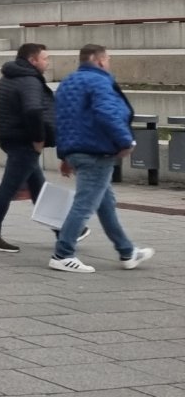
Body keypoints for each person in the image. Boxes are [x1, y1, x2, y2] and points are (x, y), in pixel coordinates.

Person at [49, 44, 154, 273]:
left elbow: (62, 121)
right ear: (99, 60)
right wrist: (126, 141)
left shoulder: (67, 83)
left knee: (105, 204)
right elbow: (108, 112)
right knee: (84, 205)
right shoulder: (99, 81)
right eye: (108, 59)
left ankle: (127, 251)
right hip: (96, 151)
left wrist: (65, 155)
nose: (108, 63)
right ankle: (63, 254)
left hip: (77, 150)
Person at [0, 43, 75, 252]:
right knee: (8, 188)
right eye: (45, 58)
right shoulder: (29, 80)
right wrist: (38, 139)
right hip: (24, 141)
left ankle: (63, 231)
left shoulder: (9, 76)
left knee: (39, 187)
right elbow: (33, 110)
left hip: (11, 137)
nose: (47, 62)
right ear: (33, 60)